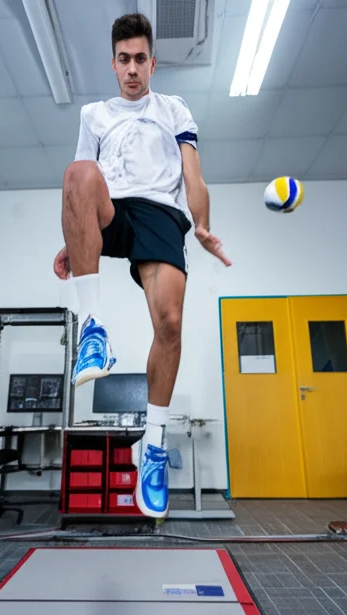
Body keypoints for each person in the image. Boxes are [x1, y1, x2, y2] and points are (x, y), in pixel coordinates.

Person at [52, 13, 231, 519]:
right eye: (123, 60)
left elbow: (193, 175)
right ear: (113, 64)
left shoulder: (173, 109)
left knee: (170, 323)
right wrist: (71, 240)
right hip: (112, 208)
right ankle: (92, 330)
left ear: (153, 64)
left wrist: (202, 224)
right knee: (77, 170)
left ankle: (152, 444)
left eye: (140, 59)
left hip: (159, 212)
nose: (132, 68)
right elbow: (81, 188)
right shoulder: (94, 115)